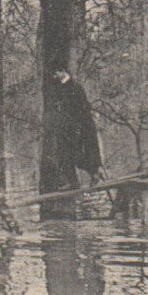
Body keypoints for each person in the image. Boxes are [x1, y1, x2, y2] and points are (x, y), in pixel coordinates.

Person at [46, 68, 107, 213]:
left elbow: (80, 110)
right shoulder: (60, 87)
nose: (54, 75)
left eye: (55, 72)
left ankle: (91, 174)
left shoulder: (74, 88)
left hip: (77, 128)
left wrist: (76, 126)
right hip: (67, 128)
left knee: (73, 156)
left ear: (63, 72)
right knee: (65, 156)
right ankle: (80, 179)